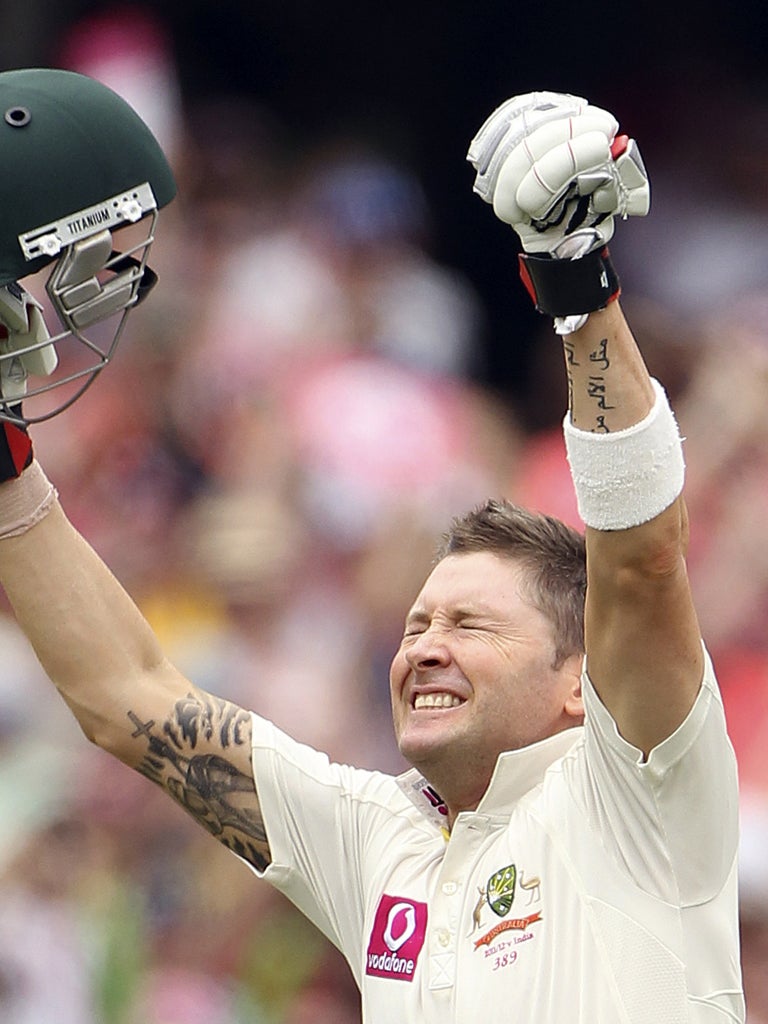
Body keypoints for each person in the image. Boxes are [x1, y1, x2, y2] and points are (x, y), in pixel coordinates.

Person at [0, 75, 743, 1022]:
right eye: (418, 621)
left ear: (579, 681)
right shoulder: (373, 835)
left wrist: (576, 283)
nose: (423, 645)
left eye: (470, 623)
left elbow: (639, 561)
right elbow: (128, 699)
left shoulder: (643, 788)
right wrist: (6, 455)